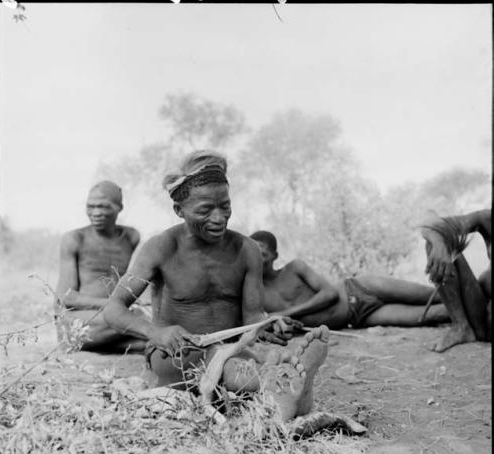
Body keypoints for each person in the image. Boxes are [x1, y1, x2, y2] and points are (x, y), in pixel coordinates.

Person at [103, 151, 329, 422]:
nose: (219, 218)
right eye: (205, 210)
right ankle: (280, 387)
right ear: (179, 211)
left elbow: (253, 317)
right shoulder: (161, 248)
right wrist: (155, 333)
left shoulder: (246, 250)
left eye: (225, 206)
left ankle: (288, 390)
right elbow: (113, 310)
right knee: (234, 368)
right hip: (177, 354)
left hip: (233, 348)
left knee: (259, 357)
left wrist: (267, 325)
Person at [249, 230, 450, 331]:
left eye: (263, 253)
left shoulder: (295, 268)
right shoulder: (258, 294)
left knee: (436, 296)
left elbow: (329, 294)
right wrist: (282, 323)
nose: (258, 258)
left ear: (275, 255)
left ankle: (475, 290)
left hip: (359, 288)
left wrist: (284, 314)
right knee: (435, 314)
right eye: (253, 253)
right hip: (358, 318)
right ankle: (479, 311)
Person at [55, 180, 146, 353]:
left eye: (103, 207)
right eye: (91, 206)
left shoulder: (130, 237)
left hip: (111, 318)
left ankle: (117, 343)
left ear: (119, 207)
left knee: (153, 325)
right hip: (80, 319)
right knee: (141, 321)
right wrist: (112, 304)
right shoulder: (74, 239)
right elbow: (66, 297)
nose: (96, 213)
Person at [420, 208, 491, 352]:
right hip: (481, 313)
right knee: (436, 241)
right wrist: (439, 244)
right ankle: (460, 326)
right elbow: (431, 225)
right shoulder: (487, 218)